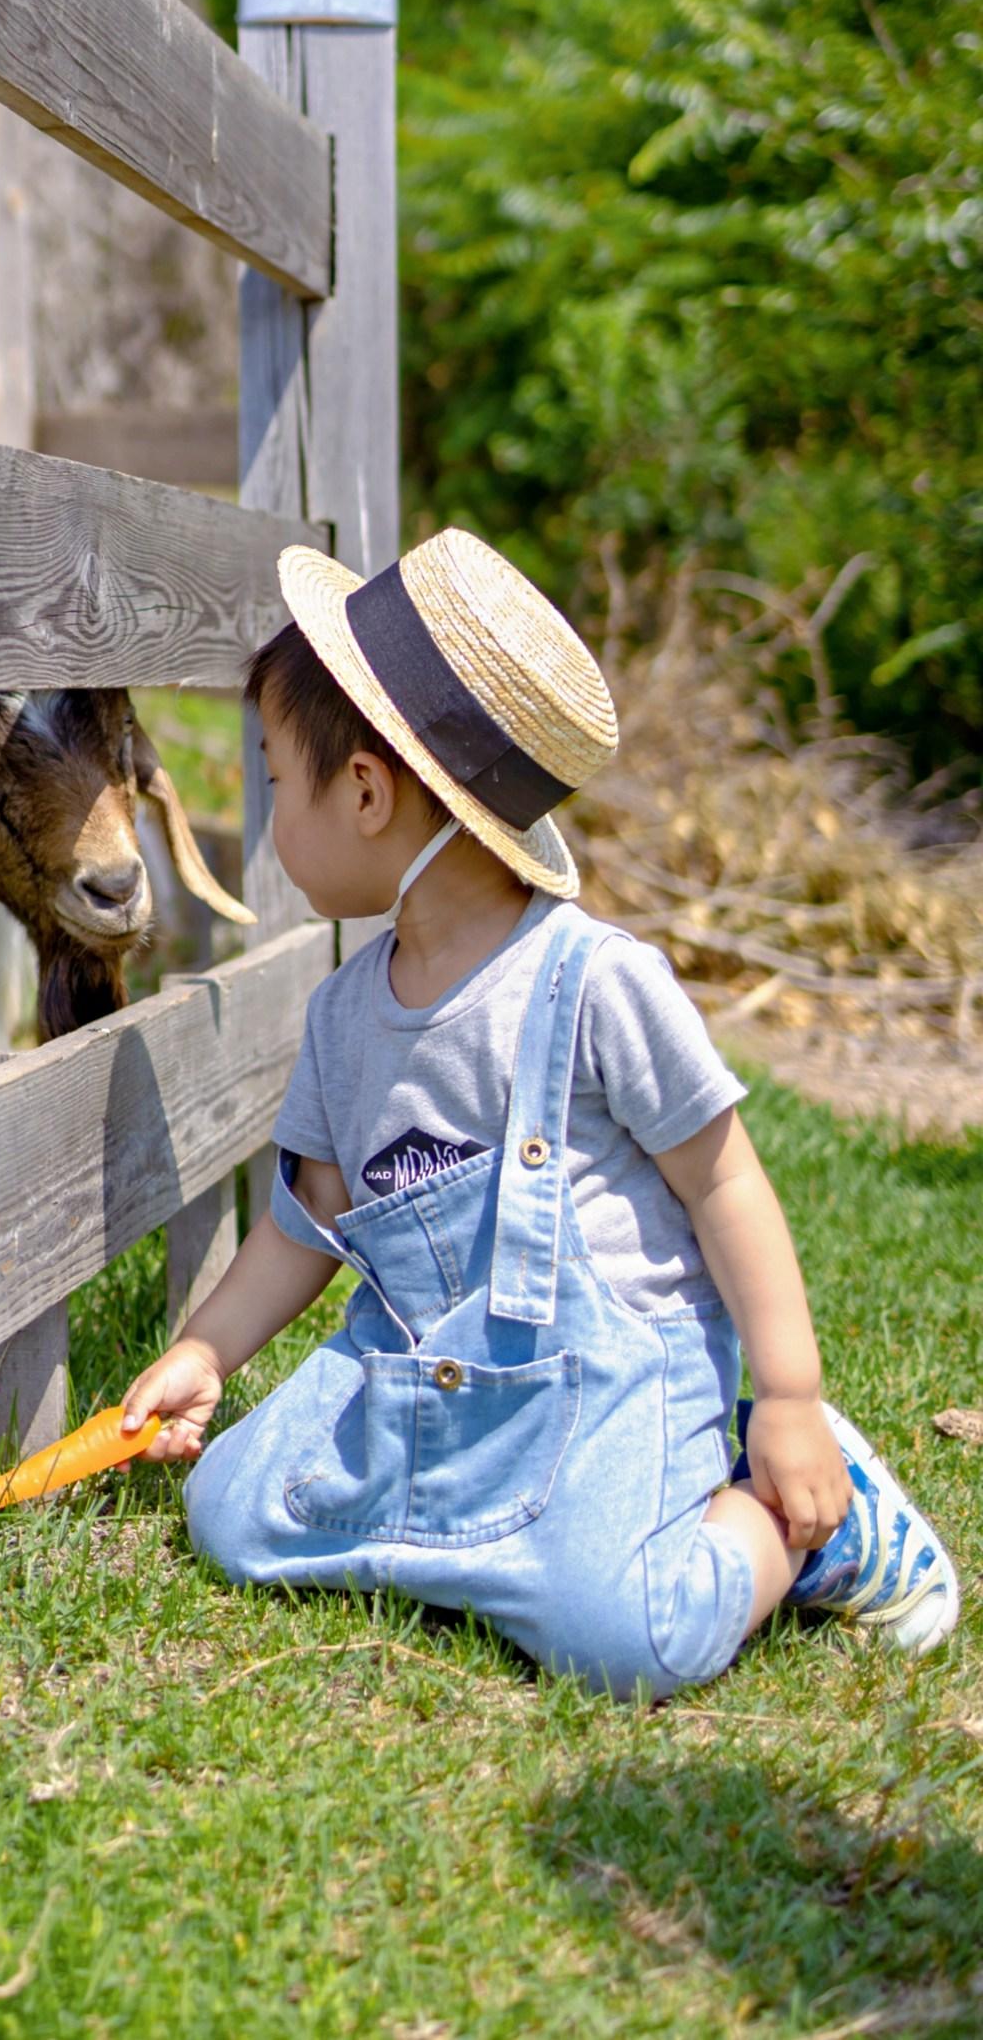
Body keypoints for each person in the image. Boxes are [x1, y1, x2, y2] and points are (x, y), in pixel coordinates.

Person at [116, 530, 959, 1697]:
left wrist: (795, 1398)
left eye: (270, 780)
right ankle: (486, 1535)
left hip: (608, 1384)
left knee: (625, 1643)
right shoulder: (344, 1018)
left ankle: (804, 1527)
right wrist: (208, 1352)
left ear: (364, 791)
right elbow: (306, 1225)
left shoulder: (594, 981)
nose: (265, 818)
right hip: (423, 1375)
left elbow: (725, 1181)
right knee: (230, 1512)